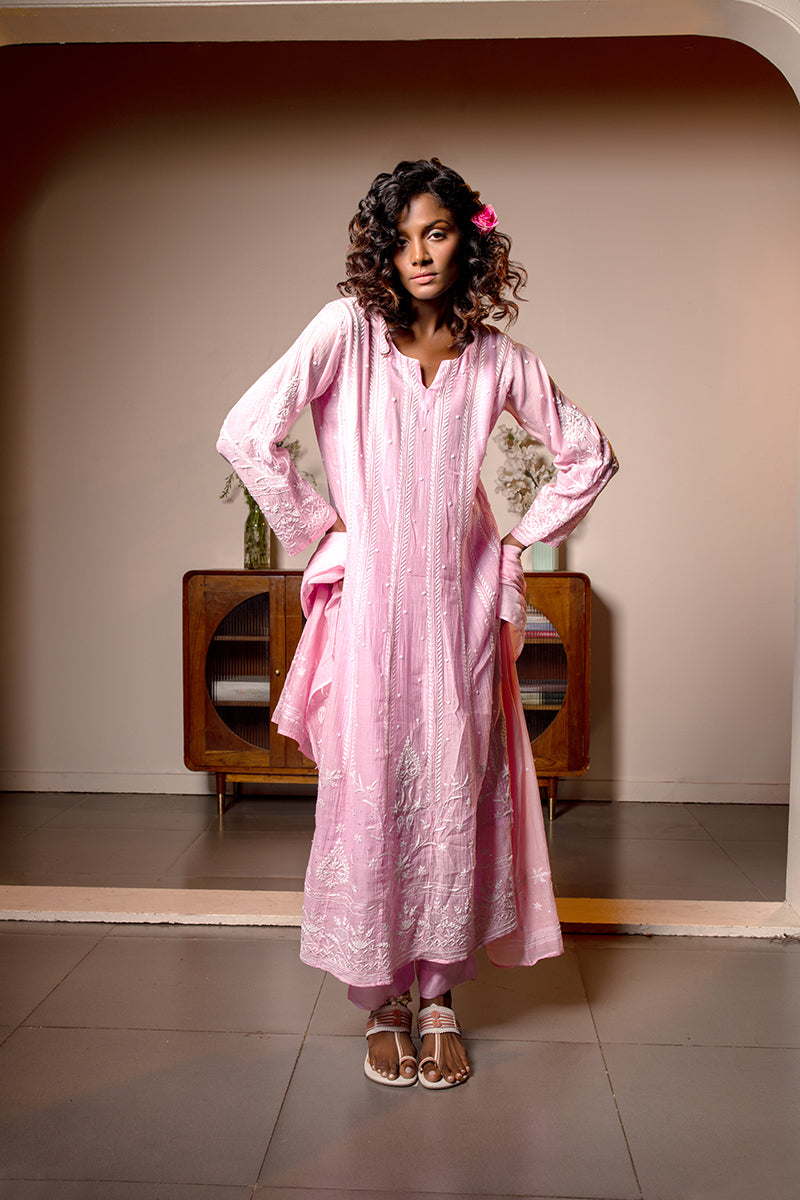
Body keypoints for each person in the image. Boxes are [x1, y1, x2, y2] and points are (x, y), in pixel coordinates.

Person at [217, 158, 617, 1090]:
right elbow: (247, 432)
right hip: (370, 609)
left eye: (435, 233)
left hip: (460, 610)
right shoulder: (346, 333)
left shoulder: (497, 359)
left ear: (468, 240)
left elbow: (588, 454)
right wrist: (324, 534)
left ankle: (437, 998)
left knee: (452, 795)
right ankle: (380, 1000)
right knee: (370, 795)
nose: (419, 255)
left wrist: (512, 547)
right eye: (400, 241)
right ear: (381, 252)